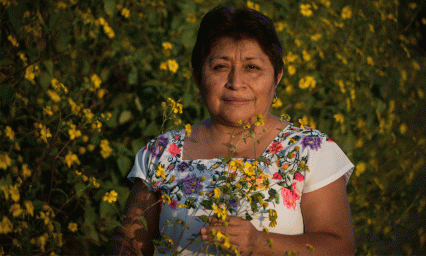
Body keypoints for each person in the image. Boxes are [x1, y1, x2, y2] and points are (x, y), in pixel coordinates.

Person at [107, 5, 355, 256]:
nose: (236, 83)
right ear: (197, 76)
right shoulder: (163, 153)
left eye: (252, 67)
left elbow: (340, 247)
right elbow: (129, 245)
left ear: (277, 76)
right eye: (220, 67)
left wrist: (257, 243)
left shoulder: (311, 150)